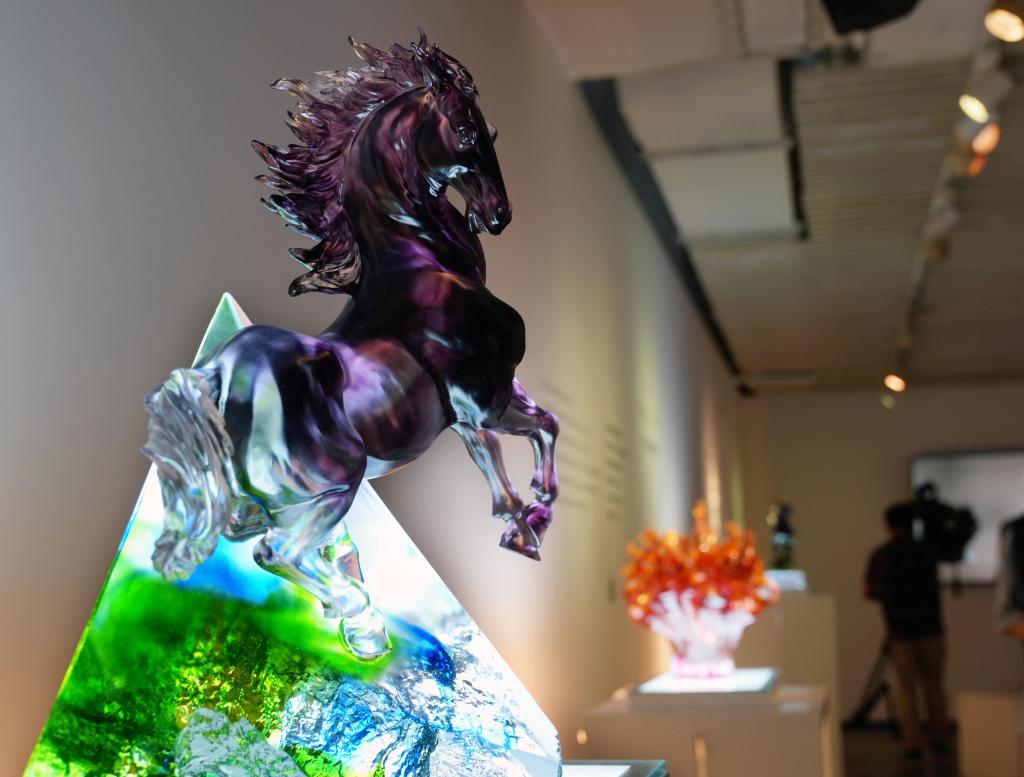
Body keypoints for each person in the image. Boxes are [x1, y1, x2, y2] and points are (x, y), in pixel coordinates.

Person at [864, 502, 951, 762]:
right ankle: (940, 738)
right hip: (931, 630)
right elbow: (954, 553)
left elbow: (869, 590)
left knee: (907, 691)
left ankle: (912, 742)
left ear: (888, 526)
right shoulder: (926, 550)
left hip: (900, 633)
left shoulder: (881, 555)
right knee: (934, 687)